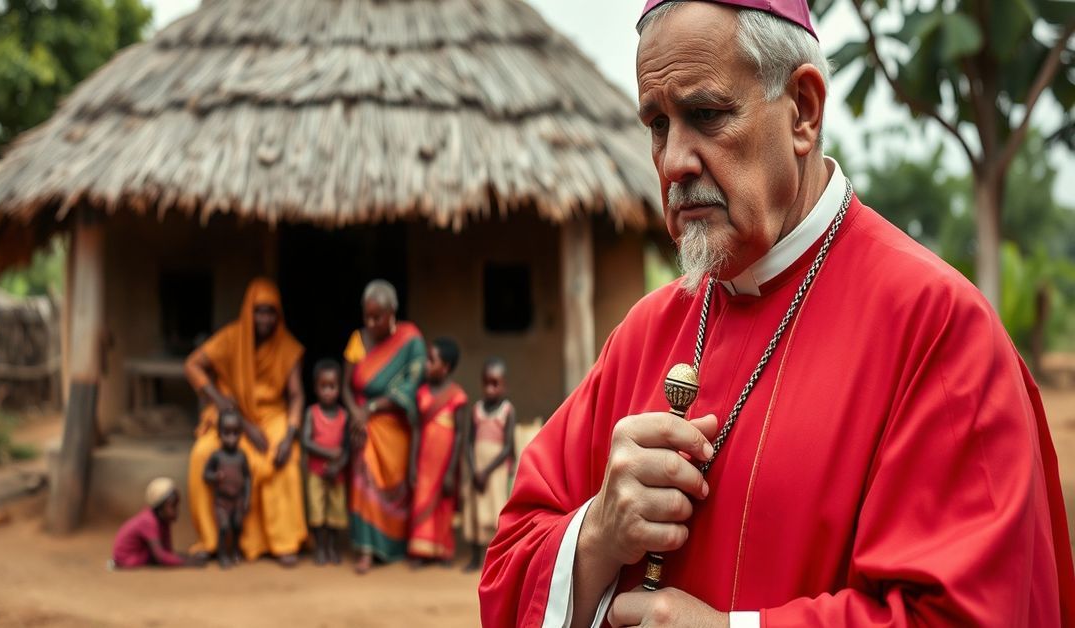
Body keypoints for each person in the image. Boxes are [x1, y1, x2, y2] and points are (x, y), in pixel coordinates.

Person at [478, 1, 1075, 626]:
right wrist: (598, 534)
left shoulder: (937, 330)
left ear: (803, 112)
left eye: (706, 115)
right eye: (658, 125)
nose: (675, 160)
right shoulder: (644, 333)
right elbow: (508, 562)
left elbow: (968, 614)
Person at [185, 278, 308, 565]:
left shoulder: (288, 348)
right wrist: (220, 401)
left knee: (284, 460)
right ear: (248, 311)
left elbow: (297, 396)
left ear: (279, 315)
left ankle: (283, 542)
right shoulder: (229, 339)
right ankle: (212, 540)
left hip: (272, 415)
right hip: (230, 416)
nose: (264, 319)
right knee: (202, 455)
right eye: (259, 311)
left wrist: (289, 435)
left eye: (270, 312)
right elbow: (192, 365)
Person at [342, 279, 426, 574]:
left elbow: (411, 385)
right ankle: (365, 549)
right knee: (363, 477)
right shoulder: (357, 340)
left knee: (394, 485)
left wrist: (372, 408)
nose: (370, 322)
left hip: (395, 426)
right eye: (367, 315)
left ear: (392, 313)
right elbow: (346, 388)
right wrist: (356, 414)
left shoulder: (411, 340)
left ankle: (390, 545)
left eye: (377, 316)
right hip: (363, 424)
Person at [407, 337, 469, 567]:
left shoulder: (457, 397)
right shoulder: (421, 393)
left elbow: (460, 434)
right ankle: (421, 550)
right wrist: (412, 463)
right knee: (421, 501)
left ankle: (441, 550)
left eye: (431, 361)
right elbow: (415, 430)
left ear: (445, 368)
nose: (426, 364)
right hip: (424, 461)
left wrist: (453, 469)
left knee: (443, 505)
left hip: (445, 464)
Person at [463, 357, 515, 574]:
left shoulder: (507, 410)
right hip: (477, 468)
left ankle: (493, 559)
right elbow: (468, 442)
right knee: (474, 509)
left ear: (504, 385)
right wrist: (475, 469)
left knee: (495, 510)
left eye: (495, 383)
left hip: (495, 469)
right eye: (486, 383)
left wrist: (487, 471)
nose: (490, 388)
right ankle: (475, 557)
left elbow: (507, 447)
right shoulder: (476, 409)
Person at [301, 358, 350, 566]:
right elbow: (305, 441)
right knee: (317, 511)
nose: (328, 392)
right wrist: (329, 454)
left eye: (332, 386)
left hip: (336, 474)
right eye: (323, 387)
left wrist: (339, 464)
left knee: (335, 513)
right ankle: (320, 548)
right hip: (316, 473)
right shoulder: (311, 413)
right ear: (315, 388)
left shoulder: (345, 416)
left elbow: (347, 449)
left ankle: (331, 547)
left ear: (339, 387)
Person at [110, 478, 204, 569]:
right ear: (160, 506)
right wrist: (186, 562)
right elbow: (161, 556)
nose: (176, 511)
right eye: (172, 506)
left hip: (140, 555)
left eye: (176, 505)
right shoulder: (149, 521)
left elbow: (168, 551)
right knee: (157, 557)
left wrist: (187, 557)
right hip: (127, 560)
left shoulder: (163, 521)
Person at [202, 409, 251, 569]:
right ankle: (222, 554)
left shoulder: (241, 456)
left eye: (235, 433)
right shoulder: (217, 456)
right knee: (224, 527)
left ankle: (235, 551)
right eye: (226, 433)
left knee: (237, 525)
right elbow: (205, 474)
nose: (231, 438)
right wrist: (214, 476)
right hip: (222, 501)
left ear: (241, 434)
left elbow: (248, 477)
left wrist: (247, 498)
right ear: (219, 433)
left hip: (237, 500)